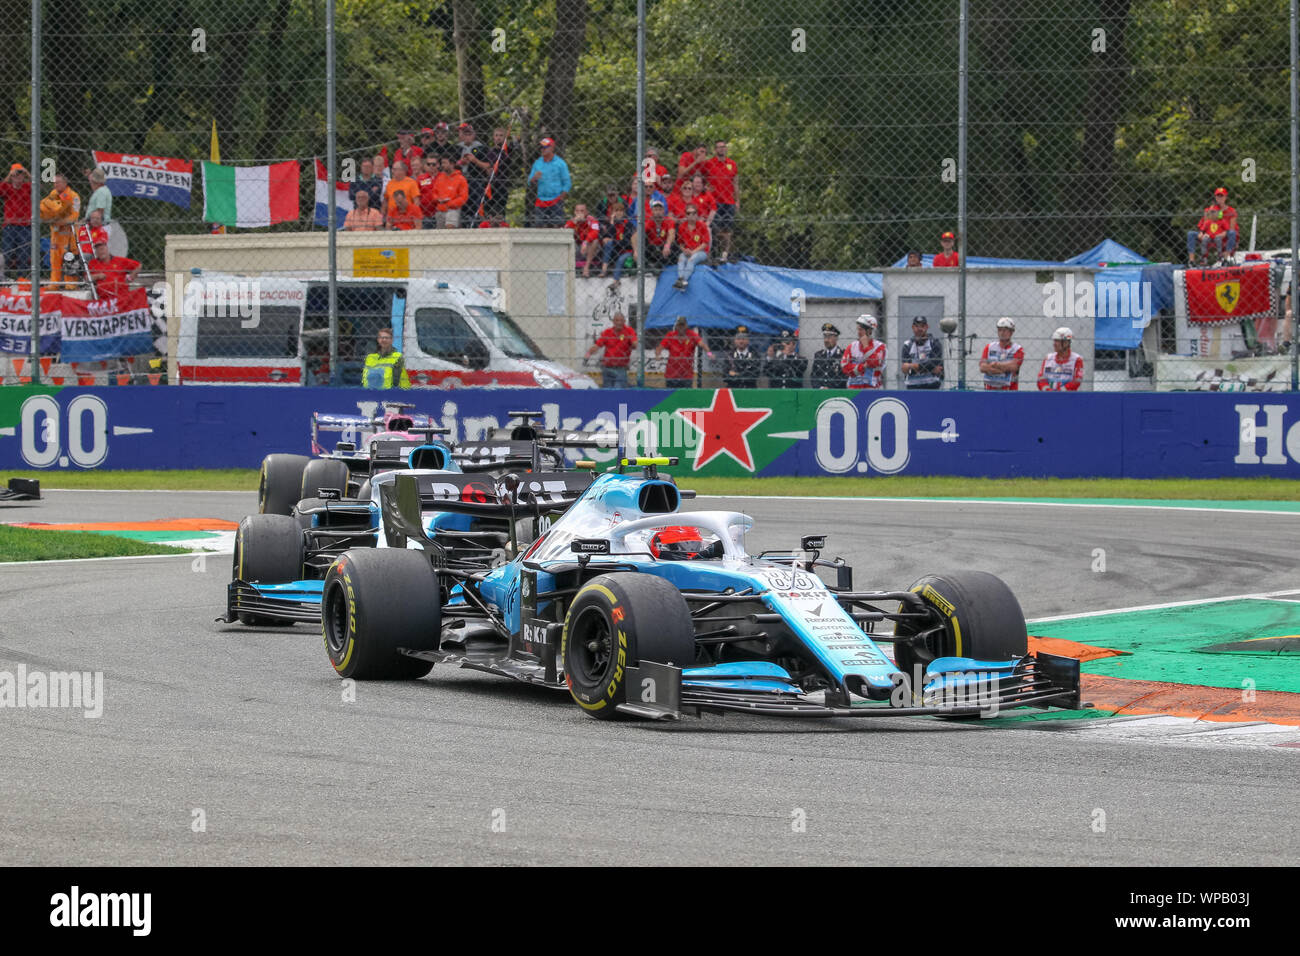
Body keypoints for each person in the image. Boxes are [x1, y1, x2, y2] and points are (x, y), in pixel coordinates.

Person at [41, 173, 81, 286]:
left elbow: (74, 216)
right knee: (54, 258)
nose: (55, 185)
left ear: (65, 183)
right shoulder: (53, 194)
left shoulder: (74, 196)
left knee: (70, 258)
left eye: (58, 182)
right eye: (54, 183)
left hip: (69, 234)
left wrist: (60, 221)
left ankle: (71, 283)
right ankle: (55, 282)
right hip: (56, 233)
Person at [702, 140, 738, 262]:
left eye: (724, 147)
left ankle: (724, 255)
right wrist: (704, 187)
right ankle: (712, 254)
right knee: (714, 230)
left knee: (727, 230)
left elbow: (735, 183)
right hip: (714, 202)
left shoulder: (732, 164)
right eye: (719, 147)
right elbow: (700, 177)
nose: (722, 149)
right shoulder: (709, 163)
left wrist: (737, 201)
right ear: (715, 150)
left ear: (726, 149)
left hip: (729, 202)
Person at [656, 315, 712, 388]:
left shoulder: (691, 334)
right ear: (676, 326)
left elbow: (702, 344)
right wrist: (658, 355)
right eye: (679, 325)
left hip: (686, 375)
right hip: (672, 374)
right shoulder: (671, 335)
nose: (681, 328)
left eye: (683, 325)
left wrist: (710, 354)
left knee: (686, 396)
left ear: (686, 326)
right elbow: (659, 348)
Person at [584, 311, 637, 387]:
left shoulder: (629, 331)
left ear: (624, 321)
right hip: (607, 367)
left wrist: (635, 344)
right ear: (613, 321)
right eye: (617, 320)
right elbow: (597, 345)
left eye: (621, 320)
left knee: (618, 390)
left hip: (621, 368)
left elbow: (634, 342)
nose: (619, 323)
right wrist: (588, 354)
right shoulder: (607, 332)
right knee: (608, 391)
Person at [1188, 187, 1238, 266]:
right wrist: (1202, 233)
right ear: (1215, 197)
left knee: (1232, 233)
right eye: (1218, 196)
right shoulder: (1210, 209)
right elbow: (1205, 224)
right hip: (1209, 235)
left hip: (1222, 237)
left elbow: (1231, 229)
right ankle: (1191, 261)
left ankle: (1226, 259)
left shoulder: (1231, 211)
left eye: (1222, 196)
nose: (1219, 198)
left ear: (1226, 197)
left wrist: (1222, 234)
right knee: (1191, 234)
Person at [0, 163, 34, 277]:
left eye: (20, 175)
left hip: (25, 226)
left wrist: (27, 173)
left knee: (24, 254)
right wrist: (9, 175)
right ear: (12, 177)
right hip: (10, 226)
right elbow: (1, 189)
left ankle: (21, 279)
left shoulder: (27, 187)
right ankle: (4, 277)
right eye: (16, 175)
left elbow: (38, 186)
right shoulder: (7, 188)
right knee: (7, 252)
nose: (18, 178)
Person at [479, 126, 519, 223]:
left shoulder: (507, 151)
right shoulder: (489, 152)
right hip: (490, 186)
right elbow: (487, 167)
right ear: (493, 137)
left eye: (501, 135)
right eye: (496, 135)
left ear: (505, 137)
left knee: (500, 213)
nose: (498, 138)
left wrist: (514, 136)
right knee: (488, 213)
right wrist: (488, 169)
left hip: (502, 186)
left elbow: (516, 145)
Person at [84, 228, 139, 299]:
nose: (101, 251)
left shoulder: (119, 260)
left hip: (121, 298)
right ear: (96, 251)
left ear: (107, 249)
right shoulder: (93, 263)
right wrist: (97, 276)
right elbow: (86, 278)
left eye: (102, 248)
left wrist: (130, 278)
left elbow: (138, 266)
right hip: (103, 298)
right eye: (98, 249)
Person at [528, 137, 571, 226]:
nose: (542, 149)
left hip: (556, 200)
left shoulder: (560, 163)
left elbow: (567, 182)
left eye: (545, 147)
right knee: (539, 225)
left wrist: (561, 197)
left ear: (552, 148)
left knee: (557, 225)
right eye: (541, 147)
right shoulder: (537, 163)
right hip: (541, 200)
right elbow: (529, 181)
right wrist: (534, 178)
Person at [456, 122, 490, 227]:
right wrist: (460, 162)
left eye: (469, 134)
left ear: (474, 135)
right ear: (462, 135)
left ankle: (476, 219)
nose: (467, 136)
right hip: (459, 179)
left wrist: (475, 160)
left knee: (477, 191)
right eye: (465, 134)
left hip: (476, 179)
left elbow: (488, 166)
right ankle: (463, 220)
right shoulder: (457, 148)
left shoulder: (481, 148)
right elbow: (449, 164)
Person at [979, 316, 1025, 390]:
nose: (1002, 333)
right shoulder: (989, 347)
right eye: (1000, 330)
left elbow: (1013, 367)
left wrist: (994, 364)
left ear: (1011, 332)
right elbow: (982, 367)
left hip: (1009, 390)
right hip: (990, 389)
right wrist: (1001, 369)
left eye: (1005, 330)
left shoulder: (1018, 349)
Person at [841, 314, 886, 389]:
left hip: (873, 389)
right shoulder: (852, 346)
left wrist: (866, 346)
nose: (858, 332)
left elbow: (874, 363)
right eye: (858, 329)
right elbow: (845, 367)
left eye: (861, 329)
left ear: (869, 331)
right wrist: (863, 366)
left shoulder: (880, 346)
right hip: (853, 389)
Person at [900, 315, 944, 389]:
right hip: (912, 385)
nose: (920, 329)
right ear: (913, 327)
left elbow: (934, 363)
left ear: (927, 327)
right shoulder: (907, 345)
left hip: (932, 385)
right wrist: (930, 370)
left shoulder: (934, 343)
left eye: (922, 326)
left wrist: (912, 366)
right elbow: (907, 370)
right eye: (917, 326)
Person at [673, 204, 710, 290]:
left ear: (697, 214)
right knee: (681, 258)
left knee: (691, 260)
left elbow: (705, 244)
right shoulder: (682, 226)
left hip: (701, 252)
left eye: (694, 213)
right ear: (686, 215)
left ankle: (682, 280)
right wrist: (684, 250)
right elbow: (680, 243)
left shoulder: (702, 225)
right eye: (688, 213)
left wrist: (693, 252)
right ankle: (681, 279)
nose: (691, 215)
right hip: (687, 250)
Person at [1037, 326, 1084, 391]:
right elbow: (1041, 378)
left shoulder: (1077, 359)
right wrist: (1047, 391)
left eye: (1057, 341)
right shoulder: (1048, 358)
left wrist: (1060, 392)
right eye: (1054, 341)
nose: (1054, 344)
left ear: (1066, 343)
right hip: (1047, 396)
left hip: (1067, 397)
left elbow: (1077, 381)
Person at [636, 198, 675, 273]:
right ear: (652, 211)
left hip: (664, 246)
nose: (658, 212)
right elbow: (637, 234)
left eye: (660, 209)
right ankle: (651, 266)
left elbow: (672, 234)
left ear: (663, 211)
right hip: (652, 247)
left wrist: (667, 246)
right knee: (643, 245)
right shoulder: (649, 221)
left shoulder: (669, 220)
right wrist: (636, 250)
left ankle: (657, 267)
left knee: (674, 247)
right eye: (656, 210)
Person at [598, 200, 634, 279]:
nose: (618, 213)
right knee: (608, 243)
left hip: (627, 251)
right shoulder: (611, 224)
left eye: (621, 211)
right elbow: (607, 236)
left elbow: (627, 243)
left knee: (620, 260)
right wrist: (611, 222)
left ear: (624, 212)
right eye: (616, 211)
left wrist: (612, 241)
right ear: (612, 212)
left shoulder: (628, 224)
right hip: (615, 250)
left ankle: (615, 279)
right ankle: (604, 268)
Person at [431, 155, 468, 228]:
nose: (442, 165)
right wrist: (437, 199)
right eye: (442, 163)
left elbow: (464, 197)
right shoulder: (440, 177)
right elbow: (434, 192)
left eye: (445, 163)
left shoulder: (460, 179)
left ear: (452, 164)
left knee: (450, 227)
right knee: (440, 233)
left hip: (453, 209)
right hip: (440, 209)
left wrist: (450, 203)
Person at [565, 202, 601, 276]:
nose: (580, 213)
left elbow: (595, 232)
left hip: (588, 247)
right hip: (576, 247)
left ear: (586, 212)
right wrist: (574, 222)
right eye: (577, 211)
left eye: (582, 211)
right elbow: (565, 231)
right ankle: (568, 269)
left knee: (595, 241)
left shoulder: (592, 219)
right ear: (575, 212)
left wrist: (586, 242)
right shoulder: (572, 221)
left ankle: (586, 267)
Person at [810, 323, 847, 388]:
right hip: (820, 392)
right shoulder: (819, 355)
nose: (826, 340)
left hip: (836, 393)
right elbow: (813, 376)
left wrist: (830, 388)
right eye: (825, 337)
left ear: (836, 338)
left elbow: (844, 377)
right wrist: (820, 388)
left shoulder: (843, 355)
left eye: (829, 337)